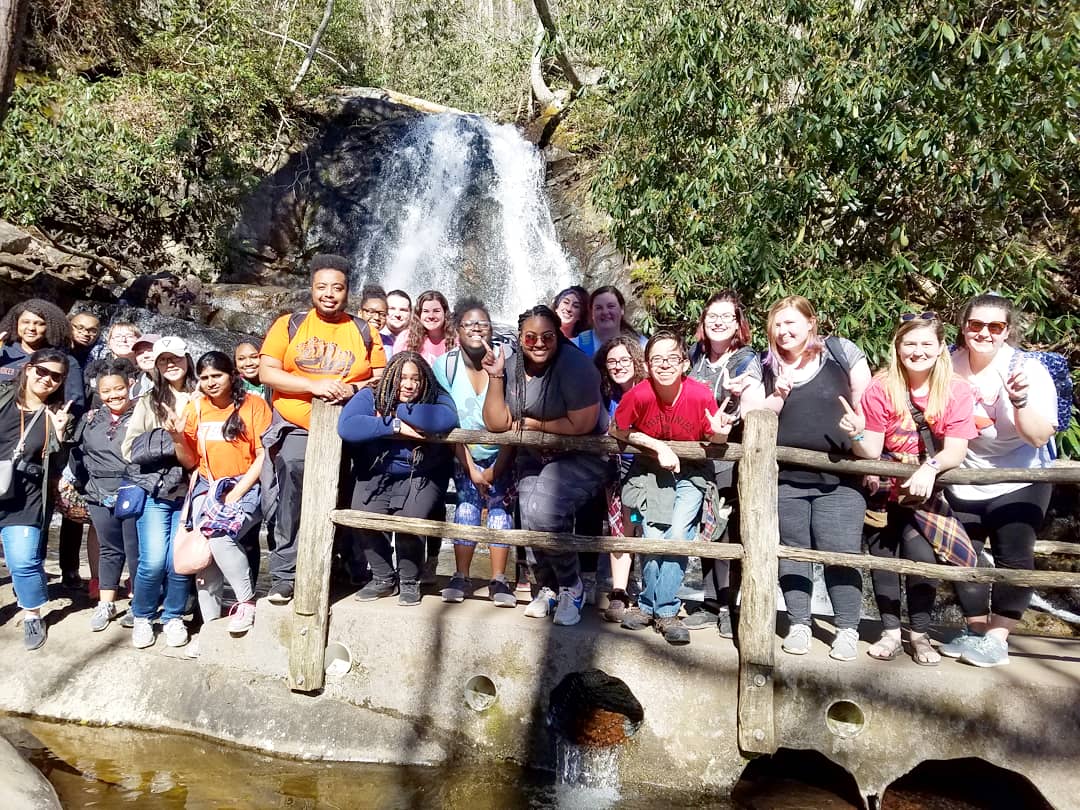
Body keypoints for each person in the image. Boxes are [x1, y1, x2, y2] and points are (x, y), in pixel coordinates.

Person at [843, 313, 977, 665]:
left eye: (925, 344)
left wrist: (929, 468)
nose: (917, 351)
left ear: (940, 348)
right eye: (910, 344)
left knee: (922, 559)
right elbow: (870, 450)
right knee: (883, 560)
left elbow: (956, 450)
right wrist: (856, 432)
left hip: (925, 490)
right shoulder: (881, 386)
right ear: (897, 347)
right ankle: (889, 633)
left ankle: (919, 636)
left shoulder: (956, 389)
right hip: (883, 488)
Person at [258, 254, 386, 604]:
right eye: (322, 287)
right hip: (298, 423)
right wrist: (313, 385)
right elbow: (267, 372)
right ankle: (285, 575)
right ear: (312, 289)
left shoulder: (364, 330)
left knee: (347, 496)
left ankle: (344, 568)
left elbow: (380, 377)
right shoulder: (289, 325)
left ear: (348, 292)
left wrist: (354, 389)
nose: (329, 294)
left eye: (337, 287)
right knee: (293, 496)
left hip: (349, 427)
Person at [938, 293, 1057, 667]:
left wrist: (1020, 402)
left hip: (1020, 477)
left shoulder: (1027, 369)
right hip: (964, 476)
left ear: (1007, 331)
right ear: (963, 326)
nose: (984, 333)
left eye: (995, 326)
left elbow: (1039, 437)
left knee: (1014, 557)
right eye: (976, 325)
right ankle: (975, 631)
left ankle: (997, 639)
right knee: (960, 555)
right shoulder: (948, 365)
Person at [482, 305, 609, 627]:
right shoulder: (510, 365)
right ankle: (548, 587)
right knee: (530, 521)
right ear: (521, 338)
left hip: (581, 454)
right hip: (533, 456)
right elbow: (497, 424)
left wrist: (536, 425)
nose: (539, 343)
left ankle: (572, 586)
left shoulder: (575, 365)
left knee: (544, 512)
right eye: (530, 337)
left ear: (559, 335)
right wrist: (495, 376)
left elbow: (582, 424)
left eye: (547, 336)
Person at [762, 295, 872, 661]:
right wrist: (777, 393)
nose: (784, 331)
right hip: (786, 478)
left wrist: (868, 450)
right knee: (792, 553)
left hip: (840, 478)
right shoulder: (767, 366)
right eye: (778, 324)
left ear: (811, 323)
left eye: (791, 322)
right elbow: (756, 417)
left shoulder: (839, 353)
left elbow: (869, 405)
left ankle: (846, 629)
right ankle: (799, 623)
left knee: (840, 553)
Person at [610, 331, 734, 645]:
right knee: (651, 536)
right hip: (650, 472)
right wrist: (658, 447)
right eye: (657, 359)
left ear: (684, 363)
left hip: (692, 473)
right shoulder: (639, 395)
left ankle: (665, 609)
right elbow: (618, 429)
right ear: (648, 365)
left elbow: (713, 436)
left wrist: (721, 434)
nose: (665, 364)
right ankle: (648, 605)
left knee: (677, 535)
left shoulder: (699, 394)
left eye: (672, 358)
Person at [339, 352, 458, 606]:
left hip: (422, 473)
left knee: (409, 521)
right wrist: (392, 425)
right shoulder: (372, 394)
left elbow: (445, 419)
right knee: (362, 516)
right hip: (377, 472)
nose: (408, 384)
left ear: (424, 380)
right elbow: (347, 426)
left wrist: (401, 410)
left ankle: (409, 581)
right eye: (402, 377)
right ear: (391, 377)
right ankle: (383, 578)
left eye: (415, 378)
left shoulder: (436, 395)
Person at [683, 291, 766, 637]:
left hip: (729, 458)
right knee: (706, 528)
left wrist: (734, 400)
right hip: (698, 457)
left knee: (727, 531)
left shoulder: (746, 359)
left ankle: (730, 607)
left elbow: (754, 406)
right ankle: (709, 601)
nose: (718, 322)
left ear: (738, 324)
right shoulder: (695, 355)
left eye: (726, 317)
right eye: (712, 316)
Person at [172, 352, 272, 636]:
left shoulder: (253, 405)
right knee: (205, 560)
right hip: (207, 484)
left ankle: (246, 602)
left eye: (217, 376)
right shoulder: (197, 409)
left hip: (245, 484)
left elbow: (263, 453)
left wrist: (236, 493)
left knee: (221, 536)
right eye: (204, 378)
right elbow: (190, 461)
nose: (210, 382)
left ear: (232, 376)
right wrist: (176, 437)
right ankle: (210, 629)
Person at [433, 298, 517, 608]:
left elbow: (515, 419)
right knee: (466, 507)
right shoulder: (446, 365)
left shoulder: (507, 363)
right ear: (456, 330)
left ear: (492, 329)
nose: (476, 329)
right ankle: (461, 575)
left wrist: (495, 469)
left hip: (503, 453)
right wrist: (469, 466)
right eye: (469, 324)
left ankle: (499, 579)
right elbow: (446, 419)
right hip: (463, 450)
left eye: (482, 324)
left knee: (499, 512)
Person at [122, 336, 198, 649]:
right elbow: (129, 448)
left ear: (187, 360)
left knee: (177, 561)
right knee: (152, 560)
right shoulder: (148, 400)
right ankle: (142, 615)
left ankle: (174, 616)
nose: (170, 364)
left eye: (176, 358)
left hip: (191, 489)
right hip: (154, 490)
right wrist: (166, 440)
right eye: (164, 360)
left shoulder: (202, 396)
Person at [0, 349, 74, 650]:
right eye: (42, 371)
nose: (48, 379)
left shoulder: (55, 415)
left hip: (26, 499)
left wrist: (58, 434)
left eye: (56, 376)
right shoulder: (3, 400)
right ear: (28, 369)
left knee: (24, 560)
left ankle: (32, 613)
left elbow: (58, 466)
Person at [69, 359, 145, 633]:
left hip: (132, 491)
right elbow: (78, 454)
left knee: (135, 552)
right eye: (107, 391)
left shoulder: (142, 415)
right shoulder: (91, 419)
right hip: (97, 493)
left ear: (129, 386)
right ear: (98, 393)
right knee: (109, 550)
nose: (114, 395)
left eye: (119, 389)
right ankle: (106, 603)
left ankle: (138, 604)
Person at [593, 336, 647, 623]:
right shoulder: (605, 393)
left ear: (636, 360)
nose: (618, 366)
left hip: (649, 470)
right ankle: (620, 591)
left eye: (624, 360)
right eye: (612, 361)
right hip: (616, 470)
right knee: (621, 529)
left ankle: (649, 594)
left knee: (645, 528)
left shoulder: (650, 389)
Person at [59, 310, 101, 590]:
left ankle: (76, 571)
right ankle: (67, 569)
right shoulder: (58, 355)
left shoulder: (96, 358)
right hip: (61, 437)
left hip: (87, 439)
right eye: (80, 327)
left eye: (92, 330)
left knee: (78, 503)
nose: (86, 333)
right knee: (61, 502)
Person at [0, 299, 84, 411]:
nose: (31, 328)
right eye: (25, 322)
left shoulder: (62, 361)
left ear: (50, 327)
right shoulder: (3, 351)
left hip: (36, 422)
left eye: (39, 324)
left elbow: (75, 402)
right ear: (16, 323)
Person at [572, 286, 644, 358]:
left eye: (611, 306)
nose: (605, 312)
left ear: (622, 309)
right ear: (591, 313)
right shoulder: (576, 346)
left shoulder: (641, 344)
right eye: (598, 308)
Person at [394, 290, 452, 365]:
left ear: (445, 313)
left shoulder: (457, 341)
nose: (431, 316)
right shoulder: (405, 339)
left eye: (436, 311)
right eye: (426, 311)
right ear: (419, 314)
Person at [359, 284, 396, 359]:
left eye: (382, 314)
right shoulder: (349, 336)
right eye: (371, 312)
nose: (377, 317)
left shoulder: (388, 342)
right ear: (360, 313)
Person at [128, 333, 161, 398]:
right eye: (140, 353)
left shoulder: (179, 382)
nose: (145, 355)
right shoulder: (135, 389)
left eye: (150, 350)